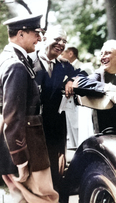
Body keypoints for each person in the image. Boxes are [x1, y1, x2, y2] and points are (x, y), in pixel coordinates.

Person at [0, 15, 58, 203]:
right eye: (36, 33)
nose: (40, 39)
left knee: (21, 198)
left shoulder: (7, 58)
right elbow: (13, 115)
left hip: (15, 143)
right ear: (21, 34)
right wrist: (21, 159)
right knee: (44, 197)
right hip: (27, 146)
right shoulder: (15, 65)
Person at [32, 26, 84, 193]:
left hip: (56, 125)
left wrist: (71, 80)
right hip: (33, 125)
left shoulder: (63, 64)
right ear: (44, 38)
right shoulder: (29, 61)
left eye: (64, 41)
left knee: (56, 169)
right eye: (57, 39)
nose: (61, 44)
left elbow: (82, 74)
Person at [61, 47, 94, 148]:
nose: (60, 56)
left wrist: (71, 80)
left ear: (70, 54)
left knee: (81, 136)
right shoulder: (63, 67)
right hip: (68, 107)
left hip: (80, 109)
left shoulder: (84, 67)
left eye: (63, 53)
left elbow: (81, 77)